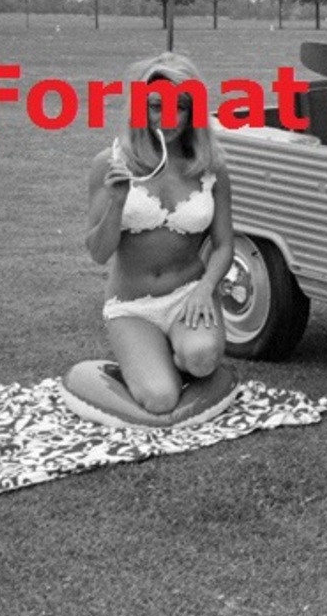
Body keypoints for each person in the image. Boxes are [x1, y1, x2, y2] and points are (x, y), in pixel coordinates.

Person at [85, 52, 233, 415]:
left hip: (188, 295)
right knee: (160, 399)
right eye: (155, 106)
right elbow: (98, 252)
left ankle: (183, 350)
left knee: (200, 359)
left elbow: (224, 244)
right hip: (133, 305)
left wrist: (205, 288)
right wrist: (117, 203)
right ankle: (141, 360)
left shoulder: (211, 167)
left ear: (192, 111)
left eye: (179, 107)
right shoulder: (111, 163)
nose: (167, 118)